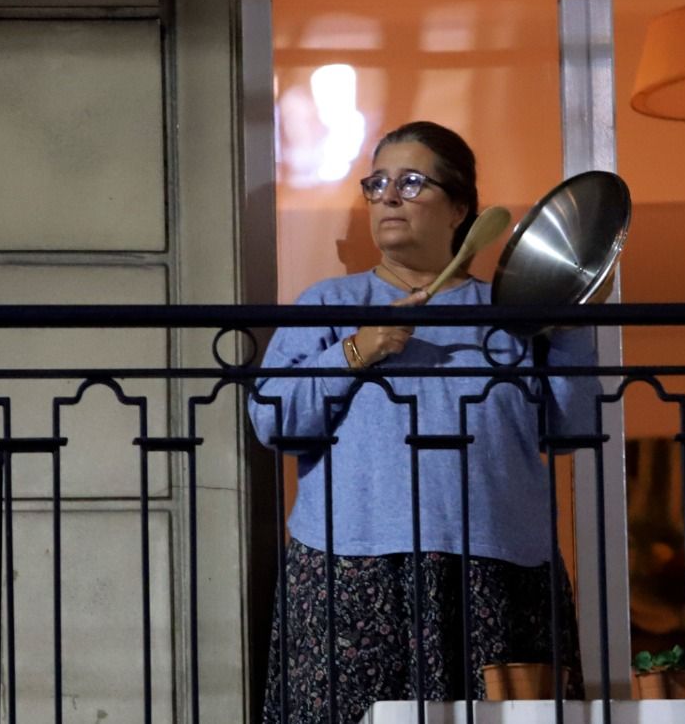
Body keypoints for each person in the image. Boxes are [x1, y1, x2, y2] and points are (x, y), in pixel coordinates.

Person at [248, 121, 599, 724]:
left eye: (412, 182)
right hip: (349, 571)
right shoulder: (329, 305)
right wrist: (359, 348)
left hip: (500, 568)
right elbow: (272, 420)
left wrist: (569, 328)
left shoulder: (513, 311)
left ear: (461, 206)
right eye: (377, 183)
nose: (388, 196)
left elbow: (568, 427)